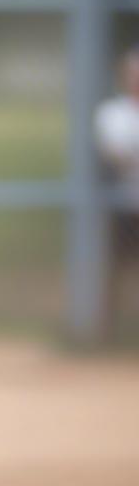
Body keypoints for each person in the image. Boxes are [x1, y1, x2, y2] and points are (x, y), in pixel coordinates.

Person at [94, 45, 139, 325]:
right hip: (124, 203)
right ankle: (104, 329)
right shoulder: (113, 113)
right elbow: (115, 156)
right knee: (114, 268)